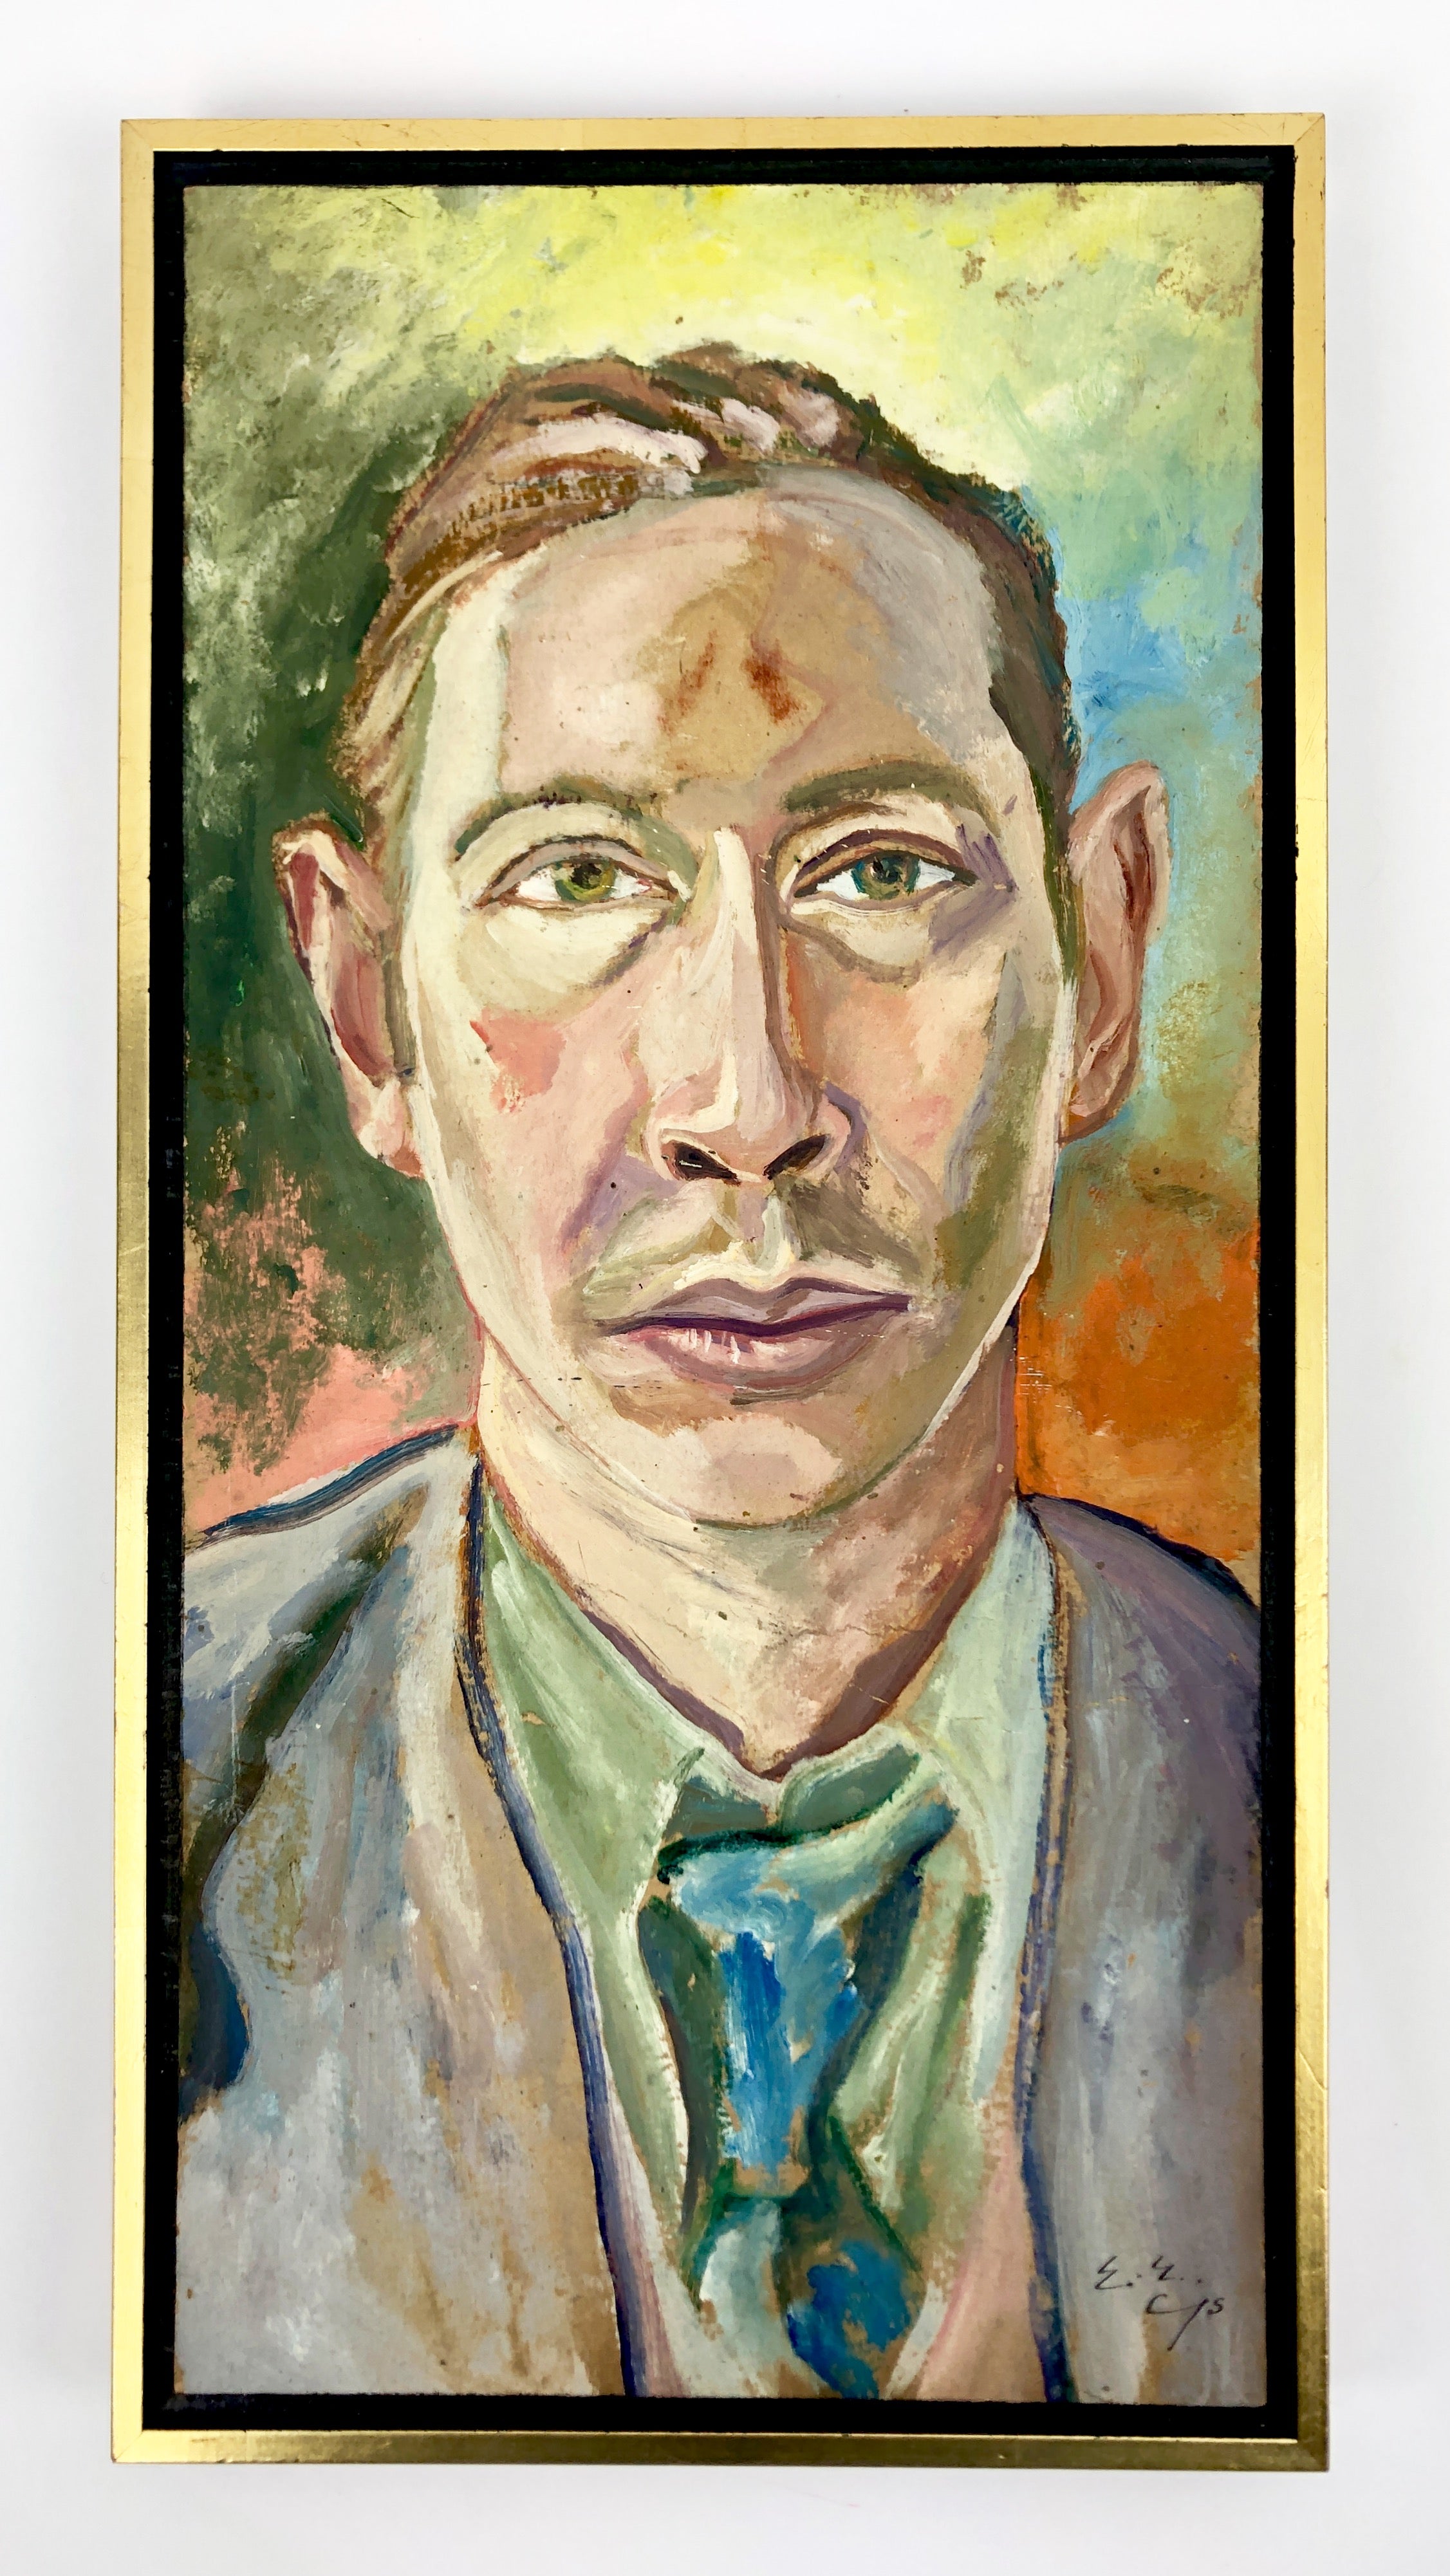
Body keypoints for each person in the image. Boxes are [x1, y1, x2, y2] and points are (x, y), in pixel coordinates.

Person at [176, 349, 1263, 2406]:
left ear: (1104, 959)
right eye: (577, 880)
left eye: (884, 872)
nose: (745, 1104)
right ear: (369, 1011)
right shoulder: (113, 1796)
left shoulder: (1337, 1780)